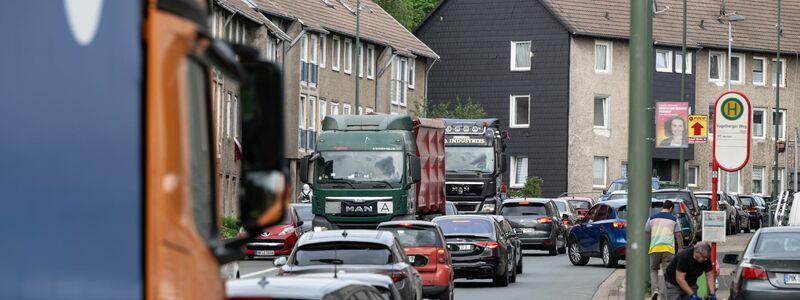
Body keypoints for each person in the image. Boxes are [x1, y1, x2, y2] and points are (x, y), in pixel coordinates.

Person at [646, 200, 683, 300]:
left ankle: (655, 290)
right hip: (668, 249)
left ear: (663, 207)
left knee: (653, 270)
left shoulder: (652, 218)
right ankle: (663, 295)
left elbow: (647, 230)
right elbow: (678, 235)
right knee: (667, 273)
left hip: (654, 248)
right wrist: (680, 249)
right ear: (671, 208)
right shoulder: (674, 219)